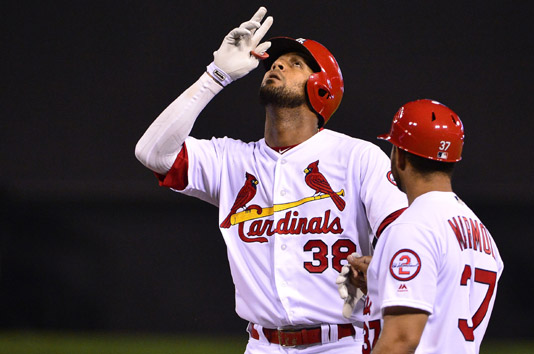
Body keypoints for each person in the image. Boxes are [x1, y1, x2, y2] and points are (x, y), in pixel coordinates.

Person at [134, 7, 407, 353]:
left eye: (295, 63)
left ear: (322, 88)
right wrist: (215, 75)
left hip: (340, 343)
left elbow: (402, 234)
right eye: (276, 61)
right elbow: (152, 153)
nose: (277, 65)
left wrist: (381, 268)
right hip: (262, 344)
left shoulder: (357, 157)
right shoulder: (232, 160)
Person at [344, 100, 504, 353]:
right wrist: (382, 281)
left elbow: (401, 339)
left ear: (401, 157)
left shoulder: (410, 227)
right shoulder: (481, 232)